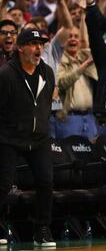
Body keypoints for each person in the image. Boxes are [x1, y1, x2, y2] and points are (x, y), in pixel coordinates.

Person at [0, 28, 55, 247]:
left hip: (39, 138)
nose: (38, 48)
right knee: (2, 185)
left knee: (46, 181)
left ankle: (42, 228)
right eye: (33, 44)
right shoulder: (5, 75)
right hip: (9, 138)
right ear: (20, 47)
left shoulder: (48, 73)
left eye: (41, 44)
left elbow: (46, 105)